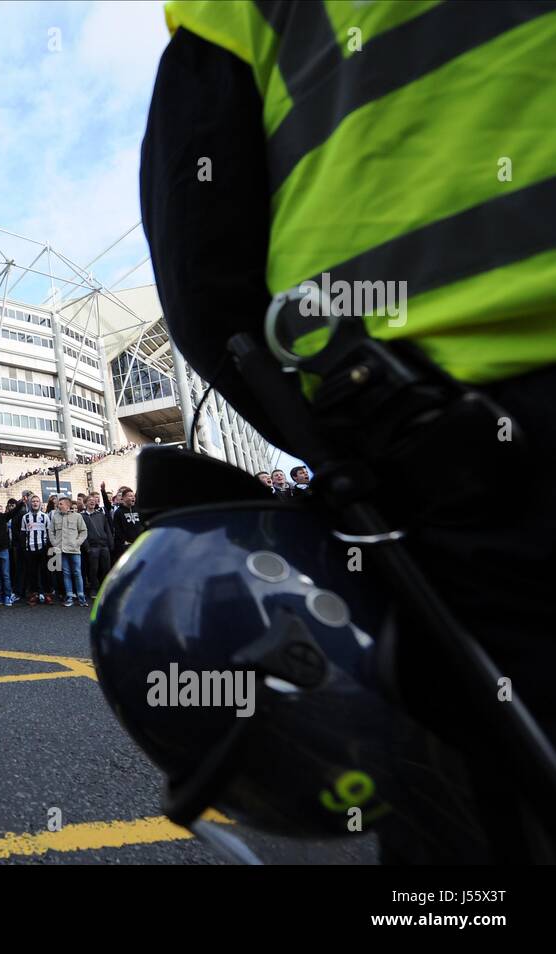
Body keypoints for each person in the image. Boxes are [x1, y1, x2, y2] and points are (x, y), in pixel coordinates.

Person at [141, 1, 556, 862]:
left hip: (444, 440)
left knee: (472, 828)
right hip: (444, 443)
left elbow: (203, 269)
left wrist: (335, 446)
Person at [49, 496, 87, 607]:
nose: (58, 505)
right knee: (66, 574)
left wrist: (77, 543)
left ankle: (81, 597)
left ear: (67, 505)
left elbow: (83, 531)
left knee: (77, 573)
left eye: (61, 503)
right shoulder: (55, 517)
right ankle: (69, 597)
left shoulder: (77, 516)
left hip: (74, 550)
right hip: (61, 550)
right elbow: (51, 531)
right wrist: (55, 544)